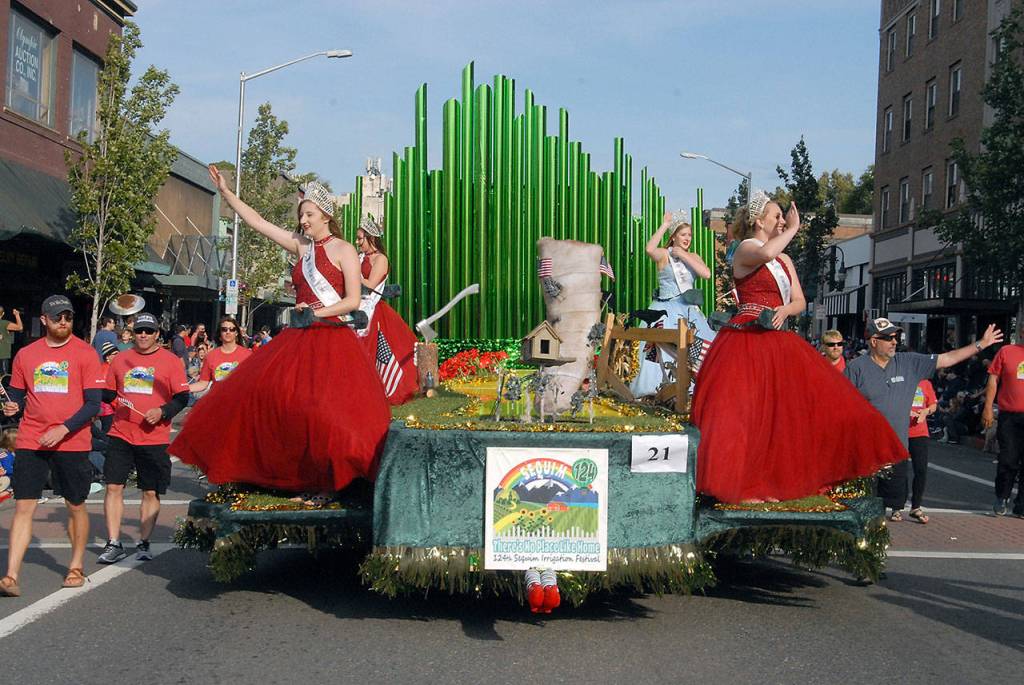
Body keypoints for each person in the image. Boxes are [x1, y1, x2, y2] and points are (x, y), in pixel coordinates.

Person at [169, 167, 390, 499]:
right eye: (302, 215)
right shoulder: (302, 247)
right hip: (298, 338)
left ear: (326, 215)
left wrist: (315, 312)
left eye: (309, 214)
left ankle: (330, 482)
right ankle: (280, 474)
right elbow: (258, 223)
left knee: (323, 411)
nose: (303, 220)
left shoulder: (345, 250)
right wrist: (227, 194)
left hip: (330, 338)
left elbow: (353, 301)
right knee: (263, 397)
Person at [690, 191, 906, 503]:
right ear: (758, 220)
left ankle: (771, 482)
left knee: (786, 415)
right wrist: (793, 229)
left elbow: (800, 300)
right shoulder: (746, 248)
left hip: (777, 341)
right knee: (747, 415)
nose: (782, 221)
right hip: (746, 341)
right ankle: (744, 485)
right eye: (776, 216)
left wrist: (786, 310)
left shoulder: (785, 259)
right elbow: (764, 255)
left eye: (783, 217)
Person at [846, 317, 1002, 521]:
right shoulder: (856, 367)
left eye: (896, 337)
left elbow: (947, 359)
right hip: (865, 451)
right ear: (873, 341)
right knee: (862, 507)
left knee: (889, 506)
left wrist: (980, 344)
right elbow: (843, 407)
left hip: (895, 450)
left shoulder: (908, 362)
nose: (894, 341)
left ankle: (874, 546)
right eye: (888, 338)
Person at [0, 295, 104, 596]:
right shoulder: (26, 355)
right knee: (23, 505)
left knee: (75, 504)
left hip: (71, 441)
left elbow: (93, 404)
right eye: (58, 316)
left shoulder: (85, 354)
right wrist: (12, 408)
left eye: (68, 317)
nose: (63, 322)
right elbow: (17, 395)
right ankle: (11, 575)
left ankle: (75, 566)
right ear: (44, 319)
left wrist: (63, 428)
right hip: (32, 438)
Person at [98, 312, 190, 564]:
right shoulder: (120, 360)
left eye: (149, 331)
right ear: (132, 332)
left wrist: (162, 411)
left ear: (157, 334)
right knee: (113, 486)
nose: (143, 335)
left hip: (154, 437)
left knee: (150, 492)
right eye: (139, 330)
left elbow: (182, 397)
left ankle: (144, 541)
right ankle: (113, 542)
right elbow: (107, 394)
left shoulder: (170, 361)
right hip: (121, 433)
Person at [629, 211, 716, 398]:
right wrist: (664, 225)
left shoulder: (693, 255)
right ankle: (655, 390)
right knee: (660, 350)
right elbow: (649, 249)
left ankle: (690, 389)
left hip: (689, 311)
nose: (687, 238)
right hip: (665, 310)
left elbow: (706, 274)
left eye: (689, 235)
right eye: (683, 234)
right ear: (674, 236)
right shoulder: (664, 255)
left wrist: (683, 256)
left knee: (695, 349)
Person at [355, 216, 419, 405]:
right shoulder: (360, 258)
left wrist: (353, 272)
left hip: (372, 310)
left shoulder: (380, 259)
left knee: (374, 350)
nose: (357, 243)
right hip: (354, 308)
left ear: (371, 238)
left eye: (360, 238)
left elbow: (370, 285)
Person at [982, 323, 1024, 516]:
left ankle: (1021, 505)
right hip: (1010, 416)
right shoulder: (1007, 351)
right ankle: (1002, 496)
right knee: (1008, 458)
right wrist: (988, 408)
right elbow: (993, 380)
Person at [187, 316, 252, 395]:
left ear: (236, 333)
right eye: (224, 329)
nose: (228, 332)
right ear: (220, 333)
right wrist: (182, 389)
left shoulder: (248, 355)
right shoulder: (210, 356)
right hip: (217, 401)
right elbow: (203, 383)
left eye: (232, 329)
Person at [906, 379, 938, 523]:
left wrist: (926, 411)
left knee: (921, 470)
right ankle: (895, 507)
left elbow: (933, 405)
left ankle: (916, 506)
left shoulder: (925, 383)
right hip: (900, 431)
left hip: (920, 432)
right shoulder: (901, 380)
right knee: (898, 470)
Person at [0, 306, 24, 376]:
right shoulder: (4, 323)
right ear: (3, 313)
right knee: (3, 377)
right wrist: (17, 315)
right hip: (2, 355)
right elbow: (20, 327)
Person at [0, 427, 15, 503]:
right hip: (4, 478)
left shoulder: (6, 452)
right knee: (10, 491)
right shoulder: (6, 455)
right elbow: (7, 469)